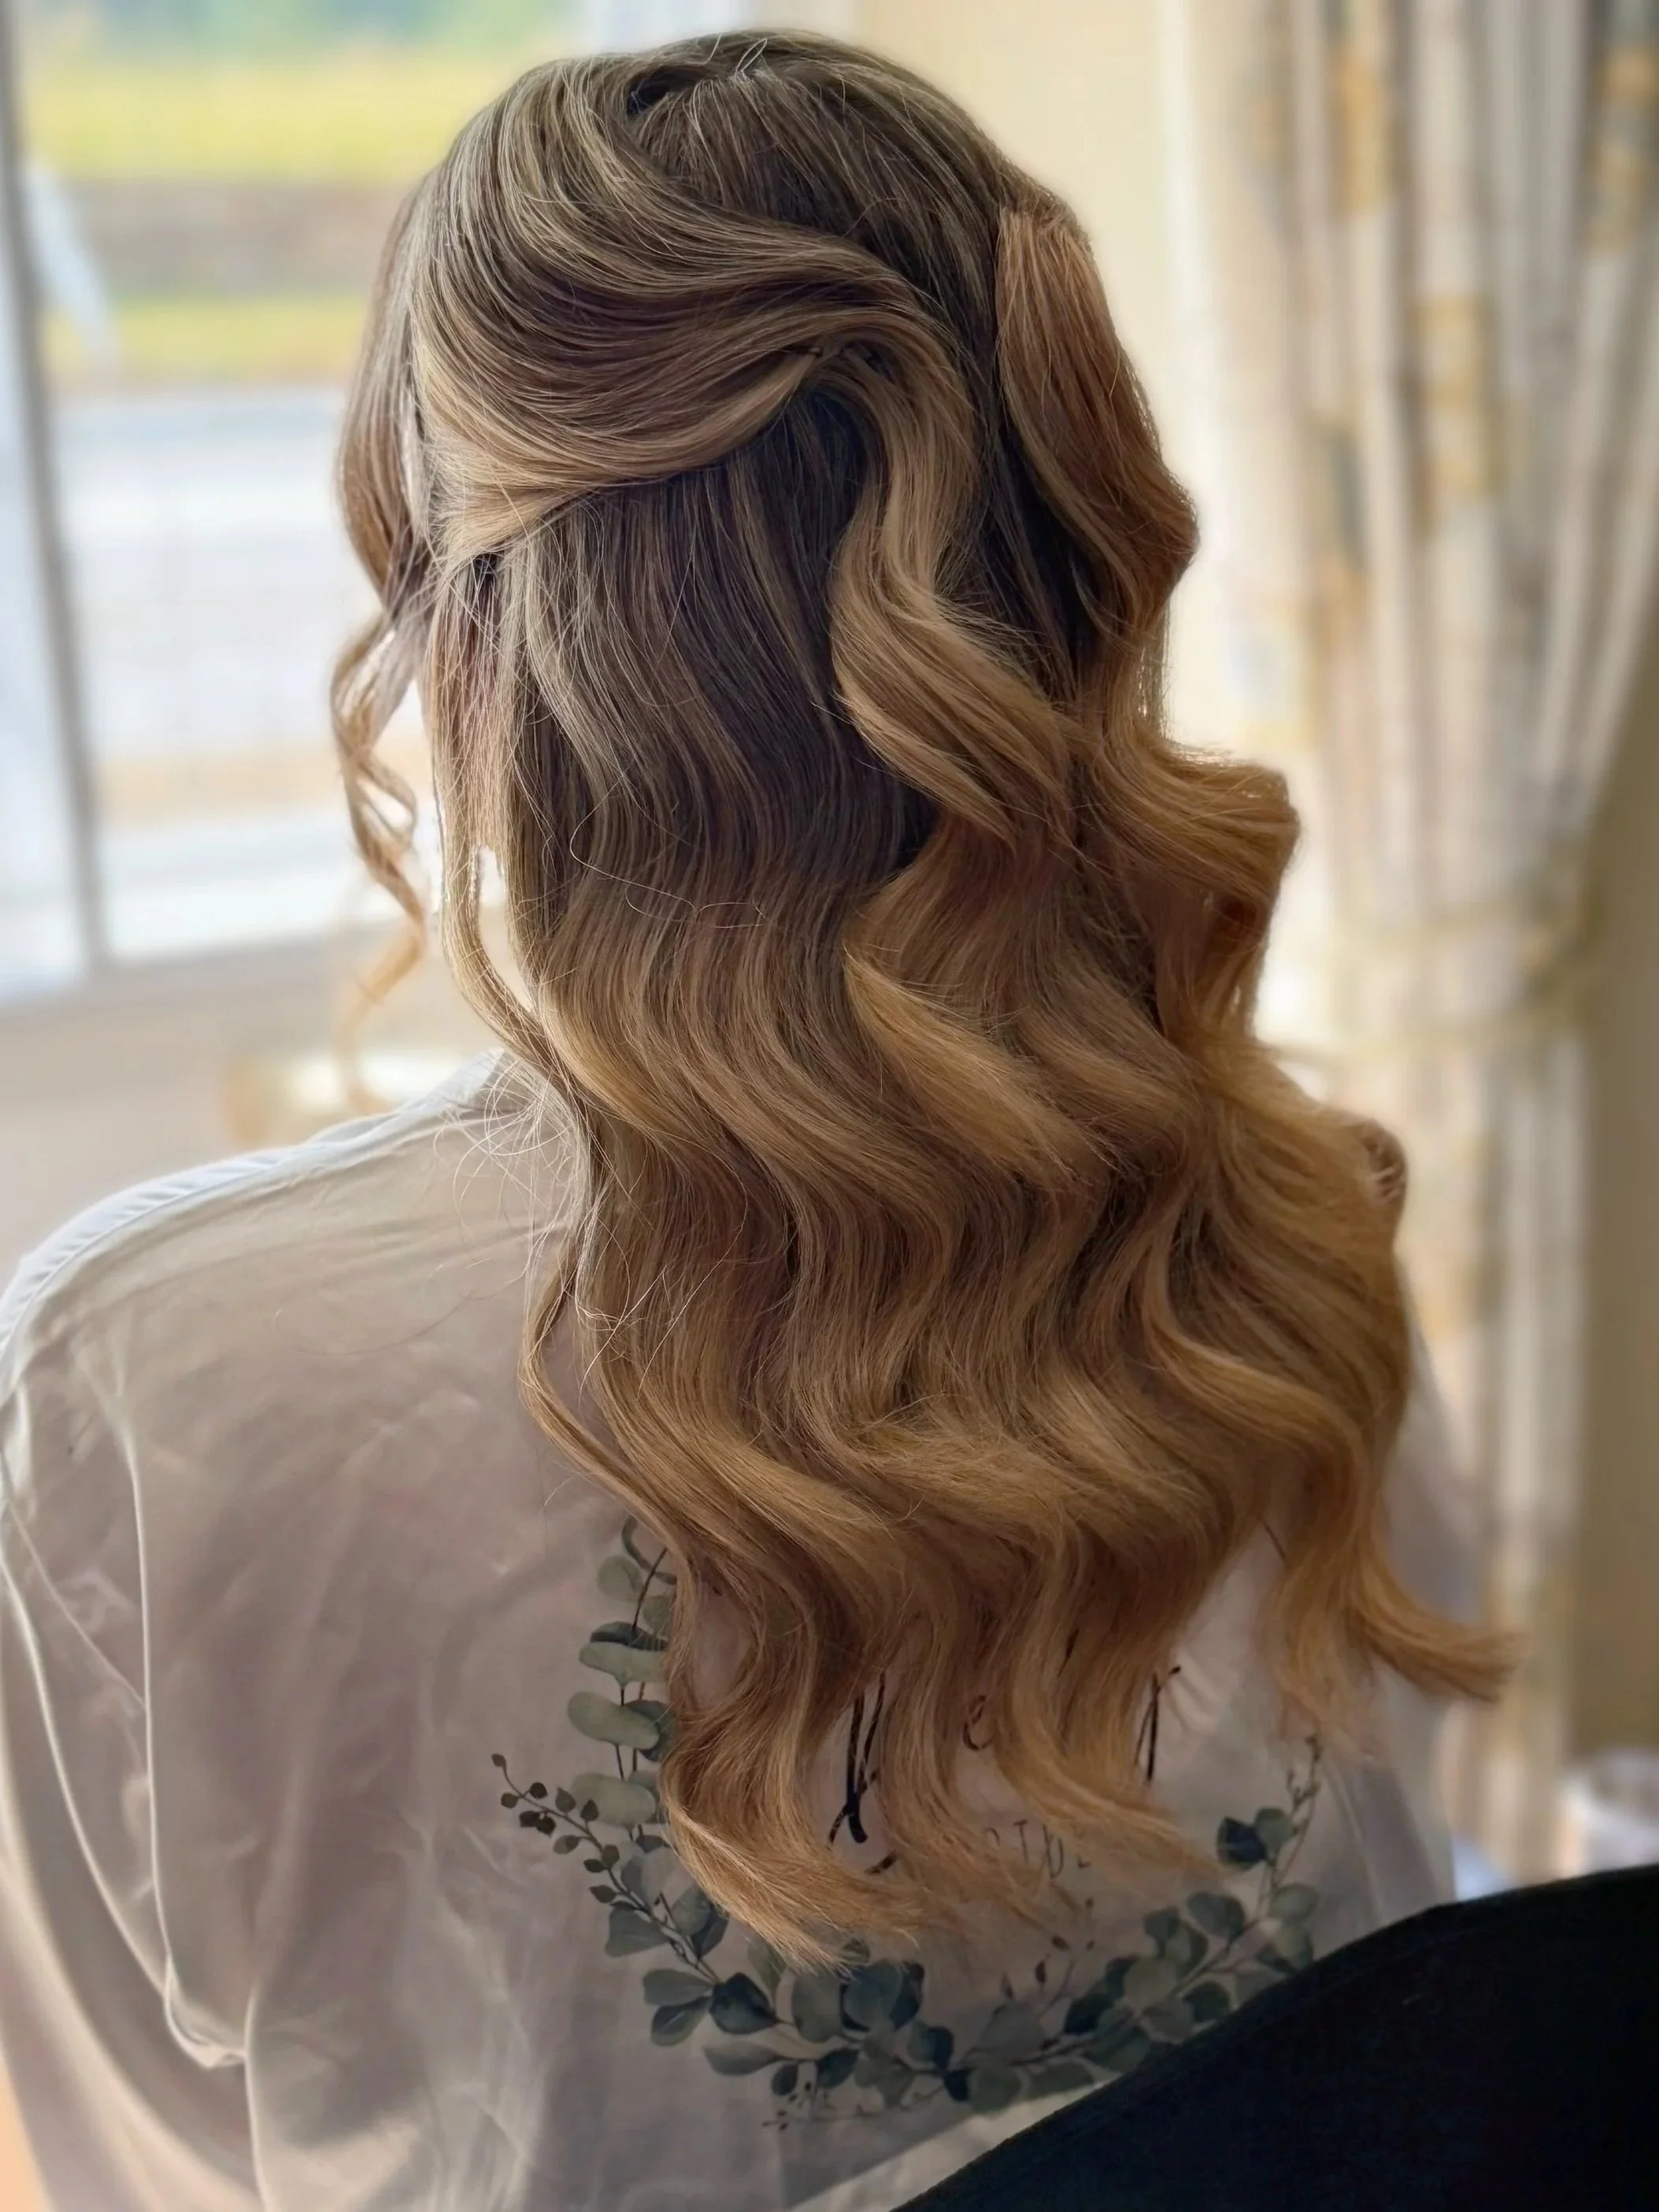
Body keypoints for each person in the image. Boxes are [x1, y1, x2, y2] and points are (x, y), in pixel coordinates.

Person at [0, 31, 1509, 2212]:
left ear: (466, 613)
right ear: (1067, 559)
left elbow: (152, 2175)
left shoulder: (155, 1382)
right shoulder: (1291, 1224)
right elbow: (1400, 1996)